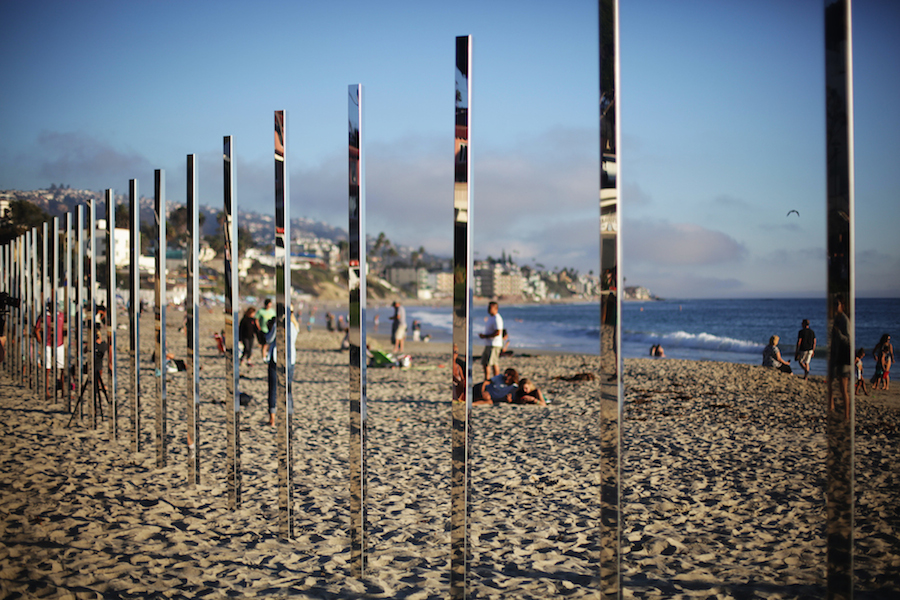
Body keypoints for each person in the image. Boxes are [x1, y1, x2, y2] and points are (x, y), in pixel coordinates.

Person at [265, 311, 299, 427]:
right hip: (290, 359)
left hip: (277, 357)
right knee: (287, 389)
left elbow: (269, 339)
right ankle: (288, 417)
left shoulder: (278, 324)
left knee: (273, 388)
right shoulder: (295, 325)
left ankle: (272, 419)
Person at [829, 297, 852, 418]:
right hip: (835, 356)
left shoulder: (844, 320)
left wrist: (839, 334)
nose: (835, 306)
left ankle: (846, 415)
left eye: (837, 304)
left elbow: (848, 339)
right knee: (830, 383)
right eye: (834, 304)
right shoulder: (836, 319)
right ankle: (831, 409)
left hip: (843, 356)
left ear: (842, 305)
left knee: (843, 388)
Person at [479, 301, 504, 381]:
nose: (488, 309)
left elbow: (498, 332)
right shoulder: (491, 318)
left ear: (495, 309)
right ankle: (487, 378)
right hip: (489, 343)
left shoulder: (497, 318)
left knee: (493, 362)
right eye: (488, 308)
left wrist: (486, 336)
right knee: (485, 362)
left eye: (490, 308)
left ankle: (496, 379)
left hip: (494, 344)